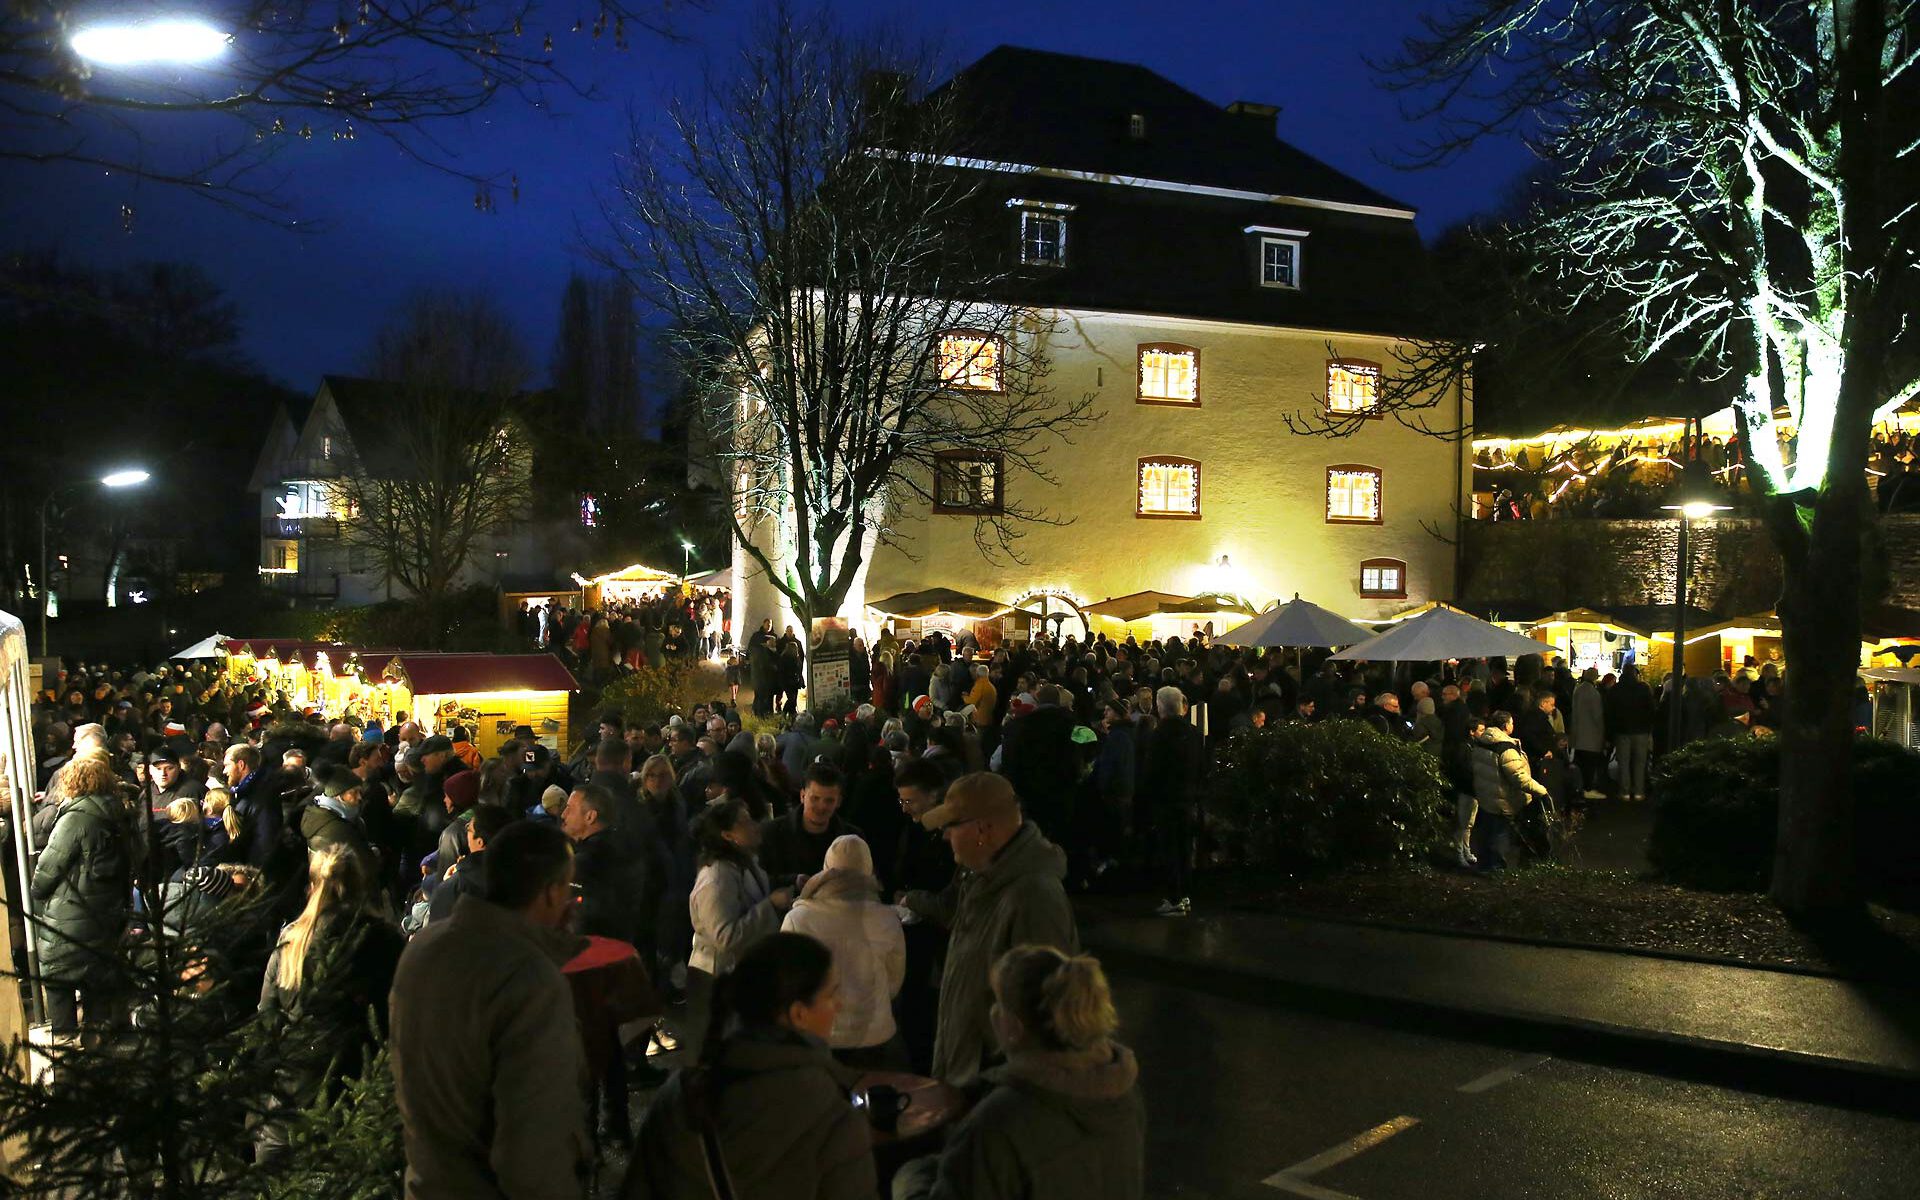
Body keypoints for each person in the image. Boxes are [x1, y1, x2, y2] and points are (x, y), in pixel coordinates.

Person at [389, 821, 591, 1200]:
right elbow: (533, 1153)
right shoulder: (530, 980)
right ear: (551, 893)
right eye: (567, 886)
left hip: (426, 1181)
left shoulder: (424, 948)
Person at [621, 932, 876, 1200]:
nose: (839, 1005)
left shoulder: (681, 1095)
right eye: (831, 994)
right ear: (799, 1014)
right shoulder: (834, 1121)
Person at [893, 946, 1146, 1200]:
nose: (993, 1011)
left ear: (1014, 1028)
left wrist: (912, 1177)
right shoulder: (1122, 1094)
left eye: (998, 1001)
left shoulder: (997, 1124)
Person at [907, 772, 1077, 1085]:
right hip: (968, 1078)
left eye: (950, 826)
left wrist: (996, 1090)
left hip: (992, 1087)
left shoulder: (1033, 897)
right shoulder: (979, 879)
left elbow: (1045, 1013)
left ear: (982, 829)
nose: (945, 836)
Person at [255, 847, 405, 1164]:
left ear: (311, 886)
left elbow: (268, 1013)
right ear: (361, 885)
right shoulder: (384, 941)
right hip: (360, 1087)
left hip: (293, 1085)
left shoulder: (291, 941)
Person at [780, 834, 907, 1068]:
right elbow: (894, 980)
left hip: (818, 1034)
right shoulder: (887, 919)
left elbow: (786, 980)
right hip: (874, 1033)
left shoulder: (799, 918)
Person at [31, 754, 133, 1038]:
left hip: (70, 914)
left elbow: (49, 867)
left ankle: (65, 1041)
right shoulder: (118, 813)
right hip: (106, 912)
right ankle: (96, 1041)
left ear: (72, 782)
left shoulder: (76, 818)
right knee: (96, 980)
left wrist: (37, 890)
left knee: (58, 979)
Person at [687, 796, 794, 1051]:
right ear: (728, 835)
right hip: (717, 981)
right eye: (745, 822)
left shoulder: (744, 862)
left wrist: (791, 881)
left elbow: (755, 890)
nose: (755, 825)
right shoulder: (717, 878)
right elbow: (726, 937)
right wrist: (771, 906)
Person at [1140, 686, 1205, 917]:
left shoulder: (1159, 735)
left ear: (1160, 706)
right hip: (1187, 798)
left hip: (1166, 799)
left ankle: (1174, 897)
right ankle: (1185, 894)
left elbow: (1152, 770)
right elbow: (1202, 765)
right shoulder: (1194, 733)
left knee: (1169, 848)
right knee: (1185, 848)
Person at [1469, 711, 1548, 870]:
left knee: (1486, 833)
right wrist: (1541, 790)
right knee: (1500, 836)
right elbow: (1518, 777)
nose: (1513, 726)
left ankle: (1484, 866)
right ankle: (1496, 869)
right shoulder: (1506, 749)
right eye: (1511, 723)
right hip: (1502, 799)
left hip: (1486, 795)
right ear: (1506, 726)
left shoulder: (1482, 742)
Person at [759, 761, 861, 882]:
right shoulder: (771, 834)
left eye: (829, 801)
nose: (821, 806)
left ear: (838, 802)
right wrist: (793, 881)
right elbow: (760, 883)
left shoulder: (852, 838)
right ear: (802, 796)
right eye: (815, 798)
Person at [1605, 664, 1657, 802]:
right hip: (1641, 731)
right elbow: (1651, 709)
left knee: (1624, 762)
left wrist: (1610, 733)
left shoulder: (1616, 689)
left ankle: (1625, 792)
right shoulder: (1644, 688)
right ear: (1635, 674)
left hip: (1622, 731)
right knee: (1640, 762)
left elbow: (1610, 712)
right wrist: (1649, 727)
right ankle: (1639, 791)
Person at [1569, 667, 1607, 799]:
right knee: (1590, 764)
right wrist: (1602, 733)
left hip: (1578, 733)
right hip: (1591, 735)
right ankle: (1588, 788)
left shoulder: (1578, 689)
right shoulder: (1593, 693)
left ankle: (1580, 787)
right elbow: (1597, 716)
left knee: (1581, 763)